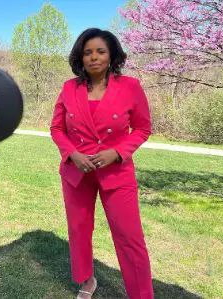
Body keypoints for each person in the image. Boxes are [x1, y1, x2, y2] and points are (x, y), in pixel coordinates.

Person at [50, 28, 154, 299]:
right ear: (80, 58)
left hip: (116, 172)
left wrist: (117, 152)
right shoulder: (68, 88)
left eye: (100, 51)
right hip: (77, 173)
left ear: (112, 55)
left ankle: (141, 294)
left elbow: (143, 129)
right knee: (78, 230)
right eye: (87, 52)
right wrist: (73, 154)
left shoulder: (131, 87)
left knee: (130, 237)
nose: (93, 57)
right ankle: (86, 281)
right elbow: (56, 129)